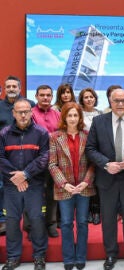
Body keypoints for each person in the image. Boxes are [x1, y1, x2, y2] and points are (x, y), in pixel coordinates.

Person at [86, 88, 124, 270]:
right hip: (107, 178)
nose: (120, 104)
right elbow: (90, 149)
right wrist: (105, 164)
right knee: (109, 218)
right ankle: (111, 254)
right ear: (110, 101)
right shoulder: (98, 121)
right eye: (116, 100)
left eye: (123, 101)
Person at [0, 99, 49, 270]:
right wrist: (17, 177)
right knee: (12, 222)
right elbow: (0, 158)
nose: (23, 115)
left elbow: (44, 158)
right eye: (19, 111)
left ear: (31, 112)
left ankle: (39, 257)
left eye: (26, 111)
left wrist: (26, 174)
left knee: (36, 220)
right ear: (13, 113)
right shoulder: (3, 134)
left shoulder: (41, 133)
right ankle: (13, 257)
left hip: (34, 185)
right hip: (11, 186)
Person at [48, 102, 95, 270]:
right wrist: (64, 184)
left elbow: (93, 163)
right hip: (65, 188)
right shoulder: (54, 137)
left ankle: (80, 256)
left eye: (76, 115)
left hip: (83, 187)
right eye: (70, 115)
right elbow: (52, 165)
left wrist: (85, 182)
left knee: (82, 222)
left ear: (80, 117)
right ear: (64, 117)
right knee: (67, 223)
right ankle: (68, 258)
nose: (73, 119)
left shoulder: (87, 135)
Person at [0, 76, 35, 236]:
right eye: (8, 86)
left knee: (29, 190)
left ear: (20, 88)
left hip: (28, 155)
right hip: (4, 157)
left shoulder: (30, 105)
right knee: (2, 189)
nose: (11, 89)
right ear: (4, 89)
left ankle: (29, 224)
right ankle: (2, 221)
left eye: (14, 86)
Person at [31, 84, 61, 238]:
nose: (45, 98)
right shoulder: (30, 114)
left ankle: (51, 224)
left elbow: (61, 134)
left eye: (48, 95)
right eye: (42, 95)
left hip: (54, 160)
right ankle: (32, 227)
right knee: (34, 194)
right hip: (35, 160)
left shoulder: (57, 114)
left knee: (52, 194)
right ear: (36, 96)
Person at [78, 88, 102, 226]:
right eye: (86, 97)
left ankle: (96, 211)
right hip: (81, 152)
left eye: (91, 97)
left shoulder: (100, 114)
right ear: (82, 99)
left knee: (96, 182)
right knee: (84, 180)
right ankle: (86, 211)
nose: (89, 99)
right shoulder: (78, 114)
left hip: (97, 152)